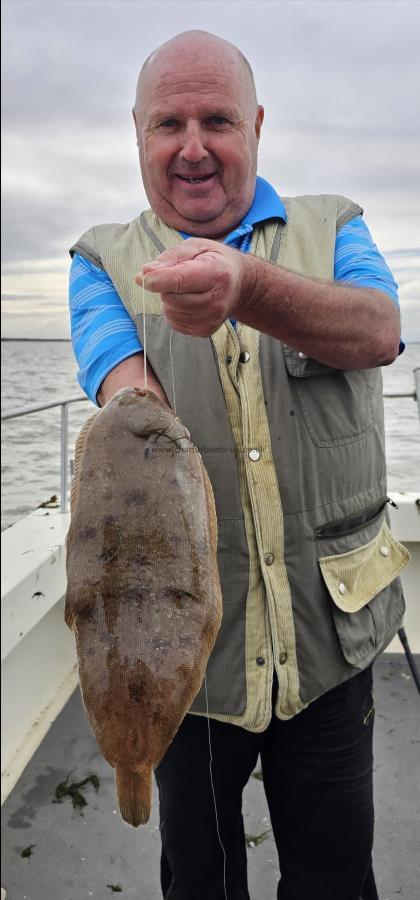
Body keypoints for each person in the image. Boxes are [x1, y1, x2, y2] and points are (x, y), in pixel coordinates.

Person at [69, 30, 409, 900]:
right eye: (166, 123)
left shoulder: (337, 225)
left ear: (256, 125)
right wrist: (140, 390)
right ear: (136, 134)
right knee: (201, 880)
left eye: (216, 119)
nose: (191, 146)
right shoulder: (100, 261)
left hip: (330, 642)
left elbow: (378, 330)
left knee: (335, 876)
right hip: (191, 671)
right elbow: (125, 396)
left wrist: (248, 290)